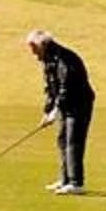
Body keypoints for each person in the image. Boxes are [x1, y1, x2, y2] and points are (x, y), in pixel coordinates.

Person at [27, 29, 94, 194]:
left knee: (73, 141)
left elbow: (66, 89)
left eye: (34, 49)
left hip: (79, 103)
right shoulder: (49, 59)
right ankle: (65, 180)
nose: (34, 54)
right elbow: (51, 88)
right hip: (66, 104)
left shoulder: (65, 59)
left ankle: (76, 183)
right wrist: (47, 111)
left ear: (43, 46)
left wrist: (55, 112)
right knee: (63, 140)